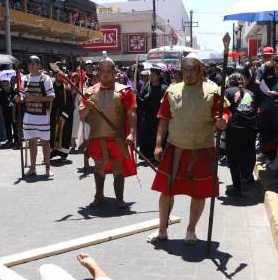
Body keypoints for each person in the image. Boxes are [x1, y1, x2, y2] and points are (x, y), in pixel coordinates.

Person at [148, 53, 230, 244]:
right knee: (166, 191)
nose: (188, 73)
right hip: (175, 148)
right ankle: (162, 229)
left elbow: (224, 112)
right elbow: (164, 119)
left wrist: (222, 121)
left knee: (199, 192)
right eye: (185, 69)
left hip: (202, 149)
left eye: (193, 69)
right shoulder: (172, 91)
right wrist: (158, 144)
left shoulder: (213, 91)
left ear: (201, 70)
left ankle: (191, 229)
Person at [78, 58, 137, 207]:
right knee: (99, 166)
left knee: (118, 166)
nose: (105, 74)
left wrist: (131, 133)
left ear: (114, 73)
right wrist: (87, 107)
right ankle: (99, 196)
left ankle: (119, 199)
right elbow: (82, 114)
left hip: (117, 137)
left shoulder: (124, 91)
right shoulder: (90, 92)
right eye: (102, 71)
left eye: (109, 71)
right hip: (97, 137)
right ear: (99, 72)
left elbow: (131, 113)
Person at [17, 56, 55, 178]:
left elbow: (51, 96)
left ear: (39, 65)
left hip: (43, 115)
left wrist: (36, 98)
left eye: (34, 64)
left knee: (45, 143)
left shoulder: (46, 78)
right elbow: (22, 96)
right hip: (29, 116)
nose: (31, 66)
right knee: (31, 143)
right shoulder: (24, 79)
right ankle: (32, 168)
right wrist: (18, 98)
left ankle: (48, 168)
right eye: (29, 64)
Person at [224, 72, 258, 196]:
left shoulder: (228, 92)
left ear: (230, 82)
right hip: (251, 128)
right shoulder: (251, 93)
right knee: (248, 153)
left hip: (234, 128)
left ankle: (237, 186)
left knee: (234, 158)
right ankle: (247, 177)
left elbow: (224, 109)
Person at [137, 66, 167, 165]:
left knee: (157, 137)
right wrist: (136, 97)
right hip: (148, 117)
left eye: (153, 75)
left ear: (158, 76)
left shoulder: (164, 88)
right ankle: (148, 156)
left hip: (159, 118)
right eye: (151, 75)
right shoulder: (147, 87)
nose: (151, 77)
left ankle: (158, 156)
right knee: (148, 137)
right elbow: (142, 102)